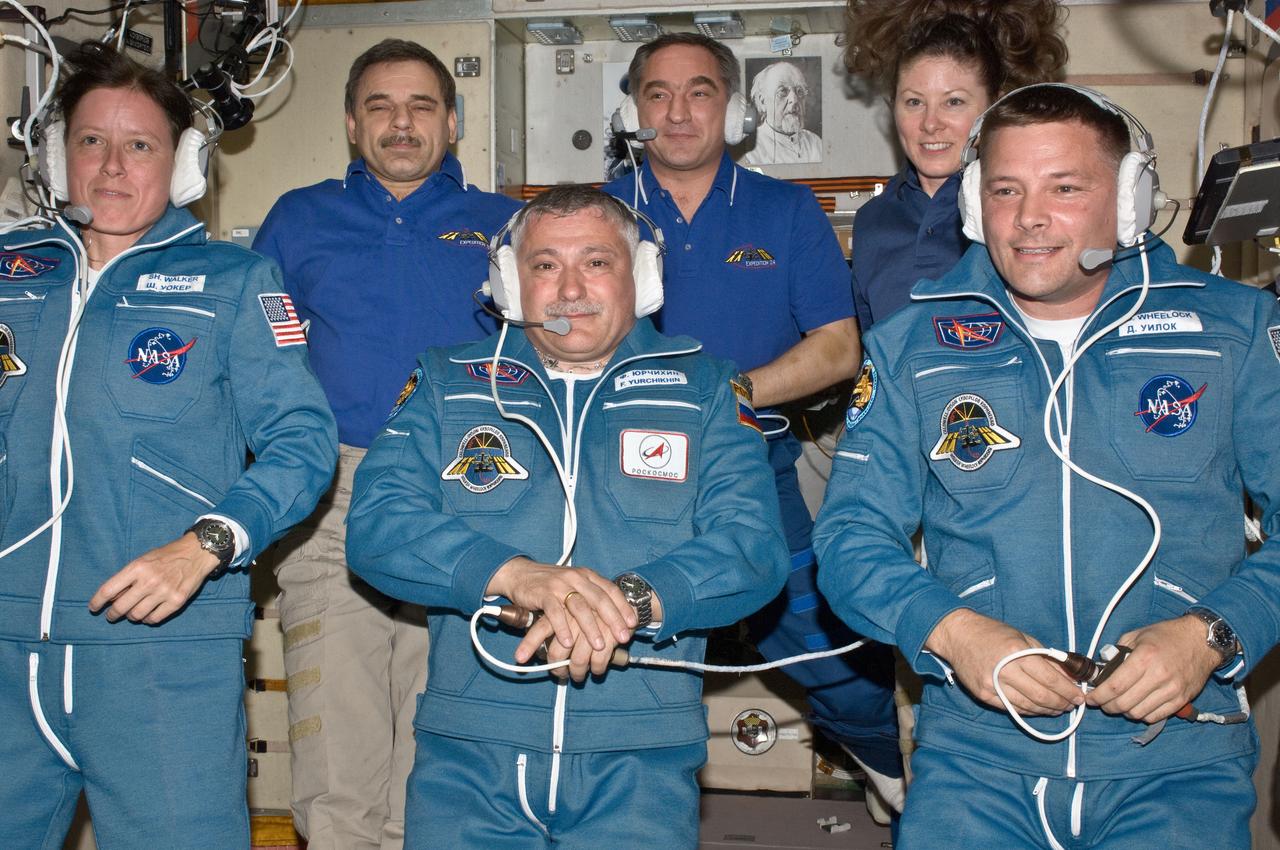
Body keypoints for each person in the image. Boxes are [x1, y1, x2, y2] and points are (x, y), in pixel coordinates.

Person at [814, 83, 1279, 848]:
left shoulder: (1235, 331)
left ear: (1128, 201)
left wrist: (1212, 634)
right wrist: (953, 633)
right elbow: (850, 541)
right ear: (975, 206)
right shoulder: (912, 345)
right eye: (1006, 190)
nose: (1029, 216)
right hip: (975, 760)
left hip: (1175, 756)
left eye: (1065, 188)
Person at [345, 185, 788, 849]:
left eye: (597, 262)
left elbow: (751, 547)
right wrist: (514, 575)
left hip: (639, 765)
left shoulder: (706, 389)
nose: (571, 289)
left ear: (641, 278)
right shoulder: (447, 382)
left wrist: (626, 602)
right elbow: (378, 525)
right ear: (510, 283)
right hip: (468, 761)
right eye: (546, 265)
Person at [0, 43, 337, 848]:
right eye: (91, 141)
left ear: (182, 164)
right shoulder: (11, 275)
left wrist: (207, 545)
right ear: (59, 157)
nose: (113, 166)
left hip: (159, 654)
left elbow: (302, 442)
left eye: (141, 145)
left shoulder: (234, 283)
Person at [599, 32, 902, 813]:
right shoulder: (595, 216)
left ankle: (889, 766)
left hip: (750, 465)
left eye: (699, 92)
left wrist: (724, 395)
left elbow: (837, 348)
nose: (678, 111)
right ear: (633, 112)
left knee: (833, 655)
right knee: (631, 664)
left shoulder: (784, 210)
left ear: (733, 111)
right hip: (622, 482)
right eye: (658, 94)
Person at [252, 38, 521, 850]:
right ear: (350, 122)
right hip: (336, 492)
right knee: (337, 737)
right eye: (380, 106)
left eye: (420, 106)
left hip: (472, 490)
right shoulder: (299, 219)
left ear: (453, 120)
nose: (401, 124)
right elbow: (256, 357)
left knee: (439, 737)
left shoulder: (505, 225)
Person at [843, 0, 1067, 329]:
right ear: (893, 107)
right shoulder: (872, 222)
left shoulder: (1024, 213)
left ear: (995, 106)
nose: (930, 123)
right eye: (914, 101)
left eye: (954, 101)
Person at [741, 60, 822, 166]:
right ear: (762, 101)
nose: (794, 100)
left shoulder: (815, 142)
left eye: (799, 91)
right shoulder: (749, 150)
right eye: (782, 91)